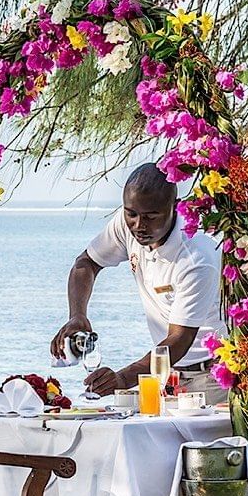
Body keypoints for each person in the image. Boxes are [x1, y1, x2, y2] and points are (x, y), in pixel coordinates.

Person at [51, 163, 223, 395]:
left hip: (211, 377)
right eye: (131, 214)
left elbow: (179, 338)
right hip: (167, 374)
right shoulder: (127, 225)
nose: (139, 226)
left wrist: (122, 379)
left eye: (151, 216)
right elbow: (86, 263)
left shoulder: (196, 257)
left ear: (175, 207)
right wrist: (77, 316)